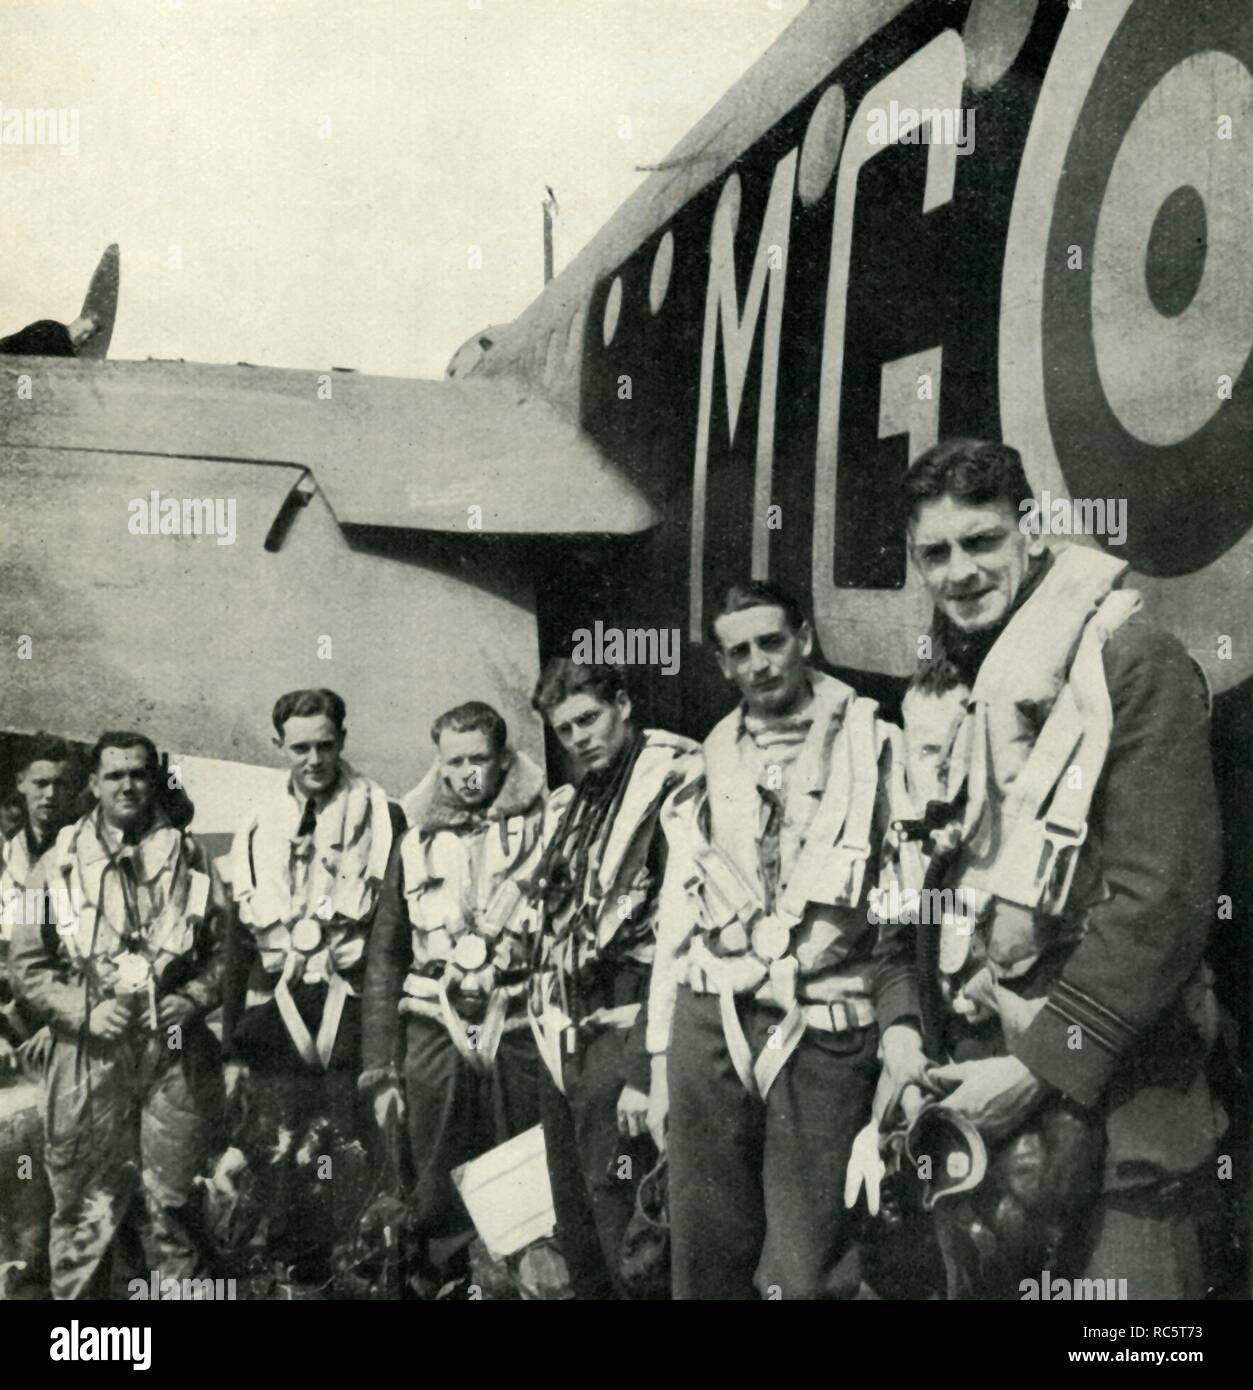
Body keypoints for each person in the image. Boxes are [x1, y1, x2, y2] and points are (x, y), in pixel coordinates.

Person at [859, 438, 1225, 1298]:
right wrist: (901, 1024)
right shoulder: (937, 699)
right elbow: (901, 890)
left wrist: (1035, 1069)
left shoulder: (1130, 660)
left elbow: (1161, 902)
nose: (960, 572)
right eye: (935, 553)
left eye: (982, 541)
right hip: (972, 1124)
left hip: (1118, 1119)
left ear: (1029, 529)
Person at [647, 580, 901, 1299]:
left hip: (824, 1026)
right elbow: (675, 914)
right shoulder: (708, 758)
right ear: (723, 666)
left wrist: (904, 1038)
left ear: (805, 639)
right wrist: (661, 1056)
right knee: (703, 1248)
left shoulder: (878, 745)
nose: (758, 664)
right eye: (739, 652)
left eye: (771, 642)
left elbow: (906, 908)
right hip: (712, 1020)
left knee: (809, 1258)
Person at [9, 730, 227, 1299]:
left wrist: (195, 998)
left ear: (153, 780)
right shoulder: (54, 866)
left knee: (173, 1210)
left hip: (172, 1060)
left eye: (138, 773)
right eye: (114, 775)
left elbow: (228, 951)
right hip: (86, 1061)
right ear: (94, 784)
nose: (127, 785)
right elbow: (27, 966)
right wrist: (83, 1011)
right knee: (83, 1215)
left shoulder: (193, 858)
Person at [360, 701, 547, 1295]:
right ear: (439, 766)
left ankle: (520, 1283)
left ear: (503, 761)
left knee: (522, 1170)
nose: (468, 774)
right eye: (455, 762)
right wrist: (380, 1066)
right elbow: (387, 955)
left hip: (517, 1023)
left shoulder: (546, 830)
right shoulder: (413, 843)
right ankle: (442, 1280)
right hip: (431, 1029)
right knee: (434, 1171)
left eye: (480, 760)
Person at [529, 659, 698, 1298]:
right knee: (573, 1203)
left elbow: (679, 941)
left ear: (623, 705)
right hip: (566, 1020)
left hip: (629, 1015)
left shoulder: (672, 788)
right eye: (565, 729)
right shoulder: (575, 804)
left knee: (622, 1198)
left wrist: (638, 1070)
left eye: (589, 719)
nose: (579, 738)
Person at [222, 688, 404, 1283]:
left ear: (343, 741)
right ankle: (299, 1282)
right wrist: (231, 1045)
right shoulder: (254, 826)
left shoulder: (383, 815)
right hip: (278, 1016)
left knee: (354, 1156)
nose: (314, 759)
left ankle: (366, 1278)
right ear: (279, 746)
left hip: (352, 1011)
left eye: (326, 745)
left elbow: (394, 934)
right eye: (300, 747)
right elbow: (237, 942)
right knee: (284, 1162)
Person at [1, 735, 76, 1069]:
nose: (50, 795)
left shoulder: (82, 855)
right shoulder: (6, 856)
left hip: (68, 1016)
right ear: (21, 783)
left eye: (60, 785)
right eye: (40, 783)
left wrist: (59, 1022)